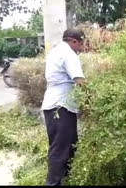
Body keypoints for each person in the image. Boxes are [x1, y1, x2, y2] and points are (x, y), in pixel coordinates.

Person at [41, 28, 86, 186]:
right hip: (62, 107)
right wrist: (95, 97)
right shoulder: (68, 54)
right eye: (81, 44)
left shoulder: (56, 51)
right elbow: (80, 80)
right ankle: (52, 183)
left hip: (52, 106)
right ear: (74, 41)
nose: (82, 47)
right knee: (61, 149)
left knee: (69, 143)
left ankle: (65, 180)